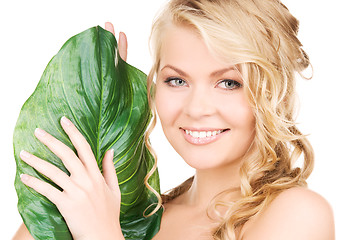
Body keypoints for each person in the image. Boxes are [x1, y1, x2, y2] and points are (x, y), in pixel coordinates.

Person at [13, 0, 335, 239]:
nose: (196, 109)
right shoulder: (140, 216)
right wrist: (100, 137)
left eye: (228, 82)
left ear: (271, 91)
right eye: (177, 81)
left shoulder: (299, 215)